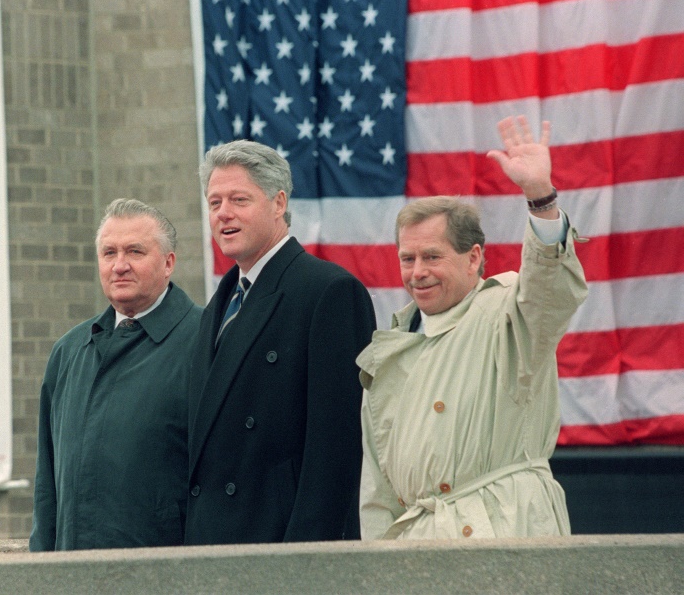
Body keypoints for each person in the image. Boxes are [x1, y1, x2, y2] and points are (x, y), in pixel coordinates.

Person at [358, 116, 588, 540]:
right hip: (419, 550)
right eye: (407, 259)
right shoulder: (388, 353)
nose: (418, 272)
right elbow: (378, 492)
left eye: (432, 256)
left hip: (508, 532)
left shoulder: (508, 315)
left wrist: (540, 197)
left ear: (474, 258)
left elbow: (550, 291)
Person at [186, 140, 377, 544]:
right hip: (209, 547)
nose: (224, 213)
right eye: (214, 202)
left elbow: (336, 451)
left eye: (239, 199)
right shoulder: (217, 308)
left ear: (278, 203)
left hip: (279, 549)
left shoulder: (329, 292)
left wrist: (304, 563)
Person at [30, 198, 203, 550]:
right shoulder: (68, 351)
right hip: (72, 578)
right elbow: (47, 485)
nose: (119, 266)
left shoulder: (206, 342)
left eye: (135, 252)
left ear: (169, 263)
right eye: (109, 253)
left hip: (166, 576)